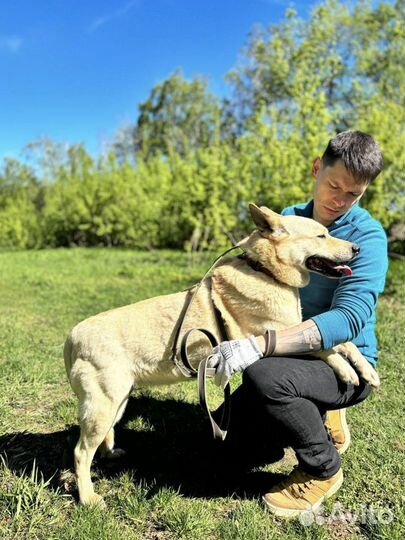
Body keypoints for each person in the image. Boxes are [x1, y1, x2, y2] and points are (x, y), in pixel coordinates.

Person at [210, 130, 388, 517]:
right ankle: (317, 410)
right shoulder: (289, 220)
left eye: (353, 194)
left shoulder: (367, 238)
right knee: (228, 452)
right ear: (316, 169)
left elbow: (349, 317)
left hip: (346, 362)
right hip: (297, 351)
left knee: (265, 375)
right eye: (334, 185)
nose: (339, 201)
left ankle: (322, 469)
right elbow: (251, 264)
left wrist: (261, 344)